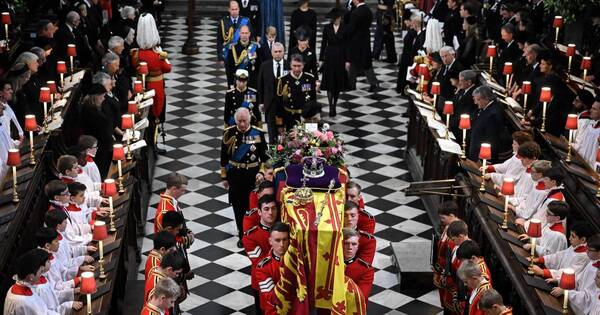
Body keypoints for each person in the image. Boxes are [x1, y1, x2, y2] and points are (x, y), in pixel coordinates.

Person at [221, 107, 269, 247]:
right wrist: (224, 177)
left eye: (244, 121)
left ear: (249, 120)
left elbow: (266, 158)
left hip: (252, 176)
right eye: (239, 121)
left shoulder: (257, 133)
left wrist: (261, 172)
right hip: (235, 176)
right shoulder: (229, 133)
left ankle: (252, 234)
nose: (242, 124)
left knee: (252, 206)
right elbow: (224, 156)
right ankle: (242, 234)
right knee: (238, 206)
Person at [131, 13, 172, 154]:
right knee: (156, 115)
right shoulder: (156, 55)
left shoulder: (136, 54)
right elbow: (168, 68)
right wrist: (163, 56)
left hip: (142, 87)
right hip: (157, 88)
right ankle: (153, 145)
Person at [243, 195, 278, 313]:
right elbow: (260, 263)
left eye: (273, 208)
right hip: (262, 283)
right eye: (266, 209)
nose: (271, 212)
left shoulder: (284, 230)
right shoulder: (250, 236)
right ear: (259, 212)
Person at [550, 234, 600, 315]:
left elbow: (588, 298)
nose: (586, 251)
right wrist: (559, 281)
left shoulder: (598, 272)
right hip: (576, 300)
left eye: (590, 250)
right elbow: (578, 280)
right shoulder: (592, 263)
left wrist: (566, 292)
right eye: (586, 248)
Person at [529, 222, 594, 281]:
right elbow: (559, 256)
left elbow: (569, 273)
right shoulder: (575, 246)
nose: (569, 238)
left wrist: (543, 272)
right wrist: (539, 260)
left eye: (573, 236)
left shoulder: (584, 256)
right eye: (570, 235)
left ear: (583, 240)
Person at [3, 249, 59, 315]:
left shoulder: (19, 287)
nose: (41, 275)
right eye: (40, 272)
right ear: (31, 277)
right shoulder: (23, 302)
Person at [255, 222, 290, 313]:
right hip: (275, 311)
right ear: (270, 241)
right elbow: (270, 297)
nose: (282, 244)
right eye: (277, 240)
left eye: (284, 239)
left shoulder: (298, 261)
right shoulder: (263, 267)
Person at [320, 7, 349, 117]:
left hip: (341, 57)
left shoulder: (345, 28)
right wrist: (321, 59)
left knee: (337, 84)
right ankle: (331, 106)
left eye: (338, 18)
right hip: (330, 57)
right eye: (334, 18)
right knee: (330, 83)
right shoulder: (327, 28)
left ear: (340, 18)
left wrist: (347, 60)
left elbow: (347, 45)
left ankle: (335, 105)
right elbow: (323, 44)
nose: (336, 20)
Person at [275, 54, 317, 130]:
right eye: (294, 66)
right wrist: (280, 125)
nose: (297, 69)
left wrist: (314, 117)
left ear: (303, 65)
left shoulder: (310, 78)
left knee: (309, 141)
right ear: (290, 65)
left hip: (306, 117)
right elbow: (279, 104)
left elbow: (313, 99)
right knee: (291, 141)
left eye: (299, 66)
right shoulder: (283, 80)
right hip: (289, 117)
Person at [79, 83, 113, 178]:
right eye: (102, 96)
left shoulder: (94, 108)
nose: (104, 99)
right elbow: (103, 130)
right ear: (95, 97)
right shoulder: (90, 113)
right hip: (99, 148)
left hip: (101, 144)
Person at [345, 0, 379, 92]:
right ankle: (371, 83)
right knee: (365, 62)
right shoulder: (368, 10)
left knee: (354, 61)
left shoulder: (355, 13)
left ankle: (352, 84)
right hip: (365, 40)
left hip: (355, 41)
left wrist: (344, 32)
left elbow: (351, 28)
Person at [257, 42, 288, 143]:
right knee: (271, 130)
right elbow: (260, 85)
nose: (278, 54)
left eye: (280, 51)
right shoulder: (265, 66)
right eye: (276, 51)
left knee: (285, 129)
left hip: (285, 104)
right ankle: (273, 152)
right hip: (270, 103)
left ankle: (285, 151)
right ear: (272, 53)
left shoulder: (289, 65)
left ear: (283, 52)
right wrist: (261, 102)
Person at [468, 85, 508, 163]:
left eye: (478, 100)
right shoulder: (486, 107)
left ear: (486, 98)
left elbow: (491, 139)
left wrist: (485, 159)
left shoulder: (493, 115)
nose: (475, 102)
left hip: (482, 156)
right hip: (476, 150)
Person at [433, 201, 460, 313]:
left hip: (449, 275)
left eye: (443, 218)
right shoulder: (448, 227)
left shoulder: (456, 233)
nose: (441, 220)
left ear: (452, 216)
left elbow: (451, 258)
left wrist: (440, 266)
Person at [218, 1, 251, 75]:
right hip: (228, 55)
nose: (234, 12)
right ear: (229, 10)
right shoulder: (223, 22)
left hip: (242, 55)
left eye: (236, 9)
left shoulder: (246, 21)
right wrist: (220, 58)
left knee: (243, 78)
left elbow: (250, 39)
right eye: (232, 9)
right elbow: (219, 41)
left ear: (239, 9)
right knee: (230, 79)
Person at [343, 228, 374, 303]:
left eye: (354, 244)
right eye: (346, 243)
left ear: (357, 247)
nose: (350, 247)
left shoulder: (366, 269)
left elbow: (361, 296)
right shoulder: (330, 264)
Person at [573, 98, 600, 166]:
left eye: (594, 109)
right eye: (591, 108)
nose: (590, 110)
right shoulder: (588, 124)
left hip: (591, 170)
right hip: (579, 163)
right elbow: (580, 145)